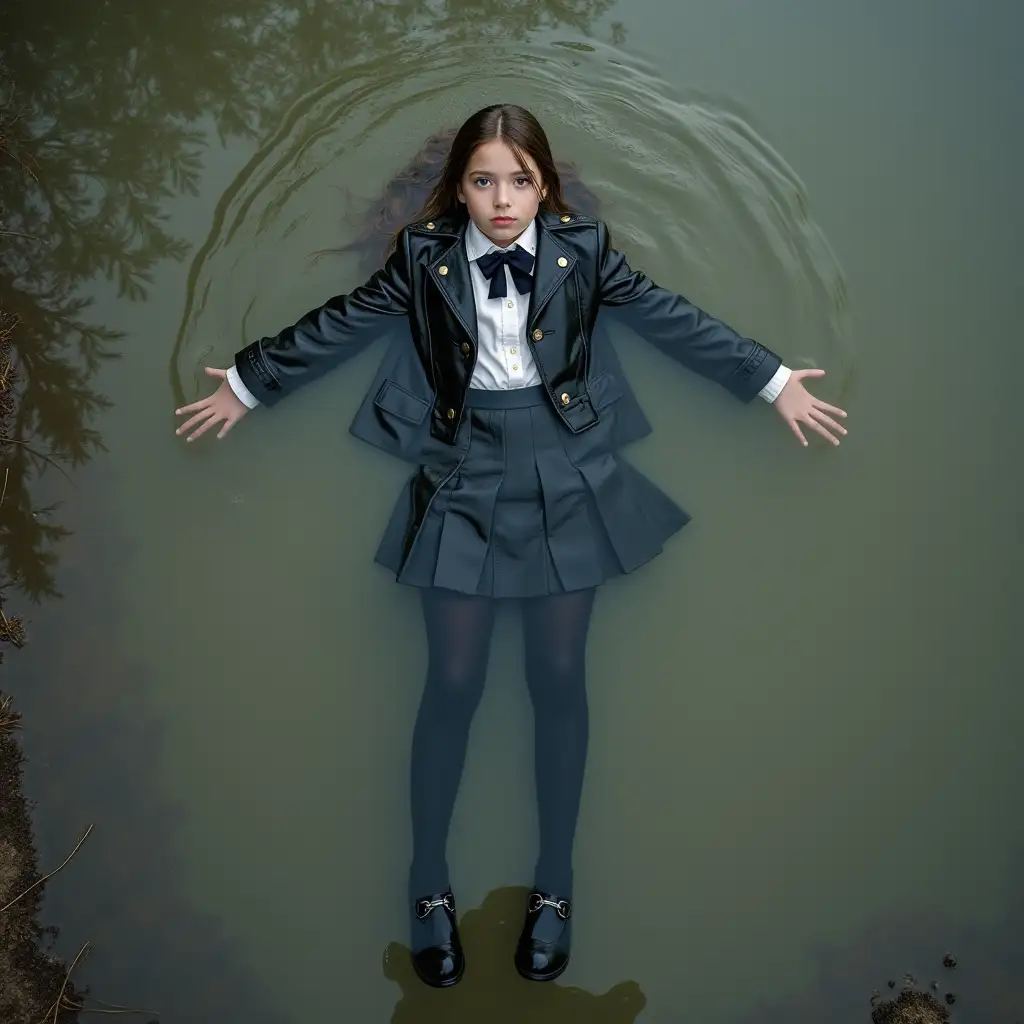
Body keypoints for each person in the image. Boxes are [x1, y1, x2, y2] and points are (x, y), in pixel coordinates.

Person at [174, 103, 848, 988]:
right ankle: (427, 886)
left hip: (566, 463)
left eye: (520, 182)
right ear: (457, 187)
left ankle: (556, 886)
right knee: (451, 680)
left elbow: (672, 317)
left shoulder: (586, 253)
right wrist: (252, 384)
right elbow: (339, 321)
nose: (502, 200)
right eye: (484, 181)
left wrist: (770, 382)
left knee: (557, 678)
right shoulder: (423, 261)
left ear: (545, 187)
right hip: (461, 464)